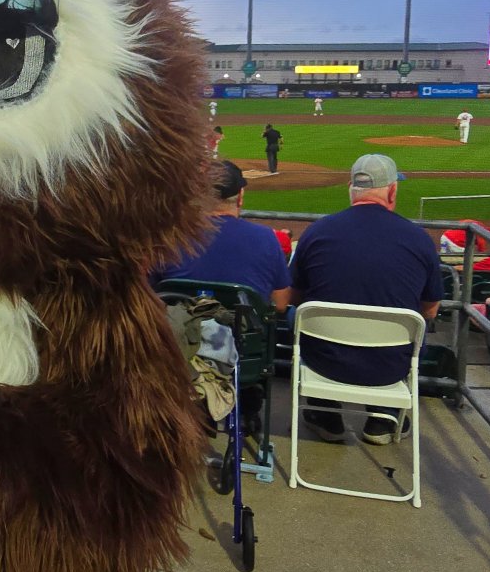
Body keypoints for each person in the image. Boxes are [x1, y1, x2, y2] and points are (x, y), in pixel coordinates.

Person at [289, 153, 443, 445]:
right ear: (393, 190)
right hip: (391, 365)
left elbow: (295, 297)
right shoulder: (419, 238)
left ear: (351, 188)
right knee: (415, 328)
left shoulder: (318, 231)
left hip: (325, 361)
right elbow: (430, 309)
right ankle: (383, 417)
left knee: (297, 317)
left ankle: (326, 413)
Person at [155, 161, 291, 313]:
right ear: (240, 197)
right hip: (242, 334)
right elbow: (280, 304)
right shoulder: (266, 238)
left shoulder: (168, 237)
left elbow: (149, 294)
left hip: (178, 333)